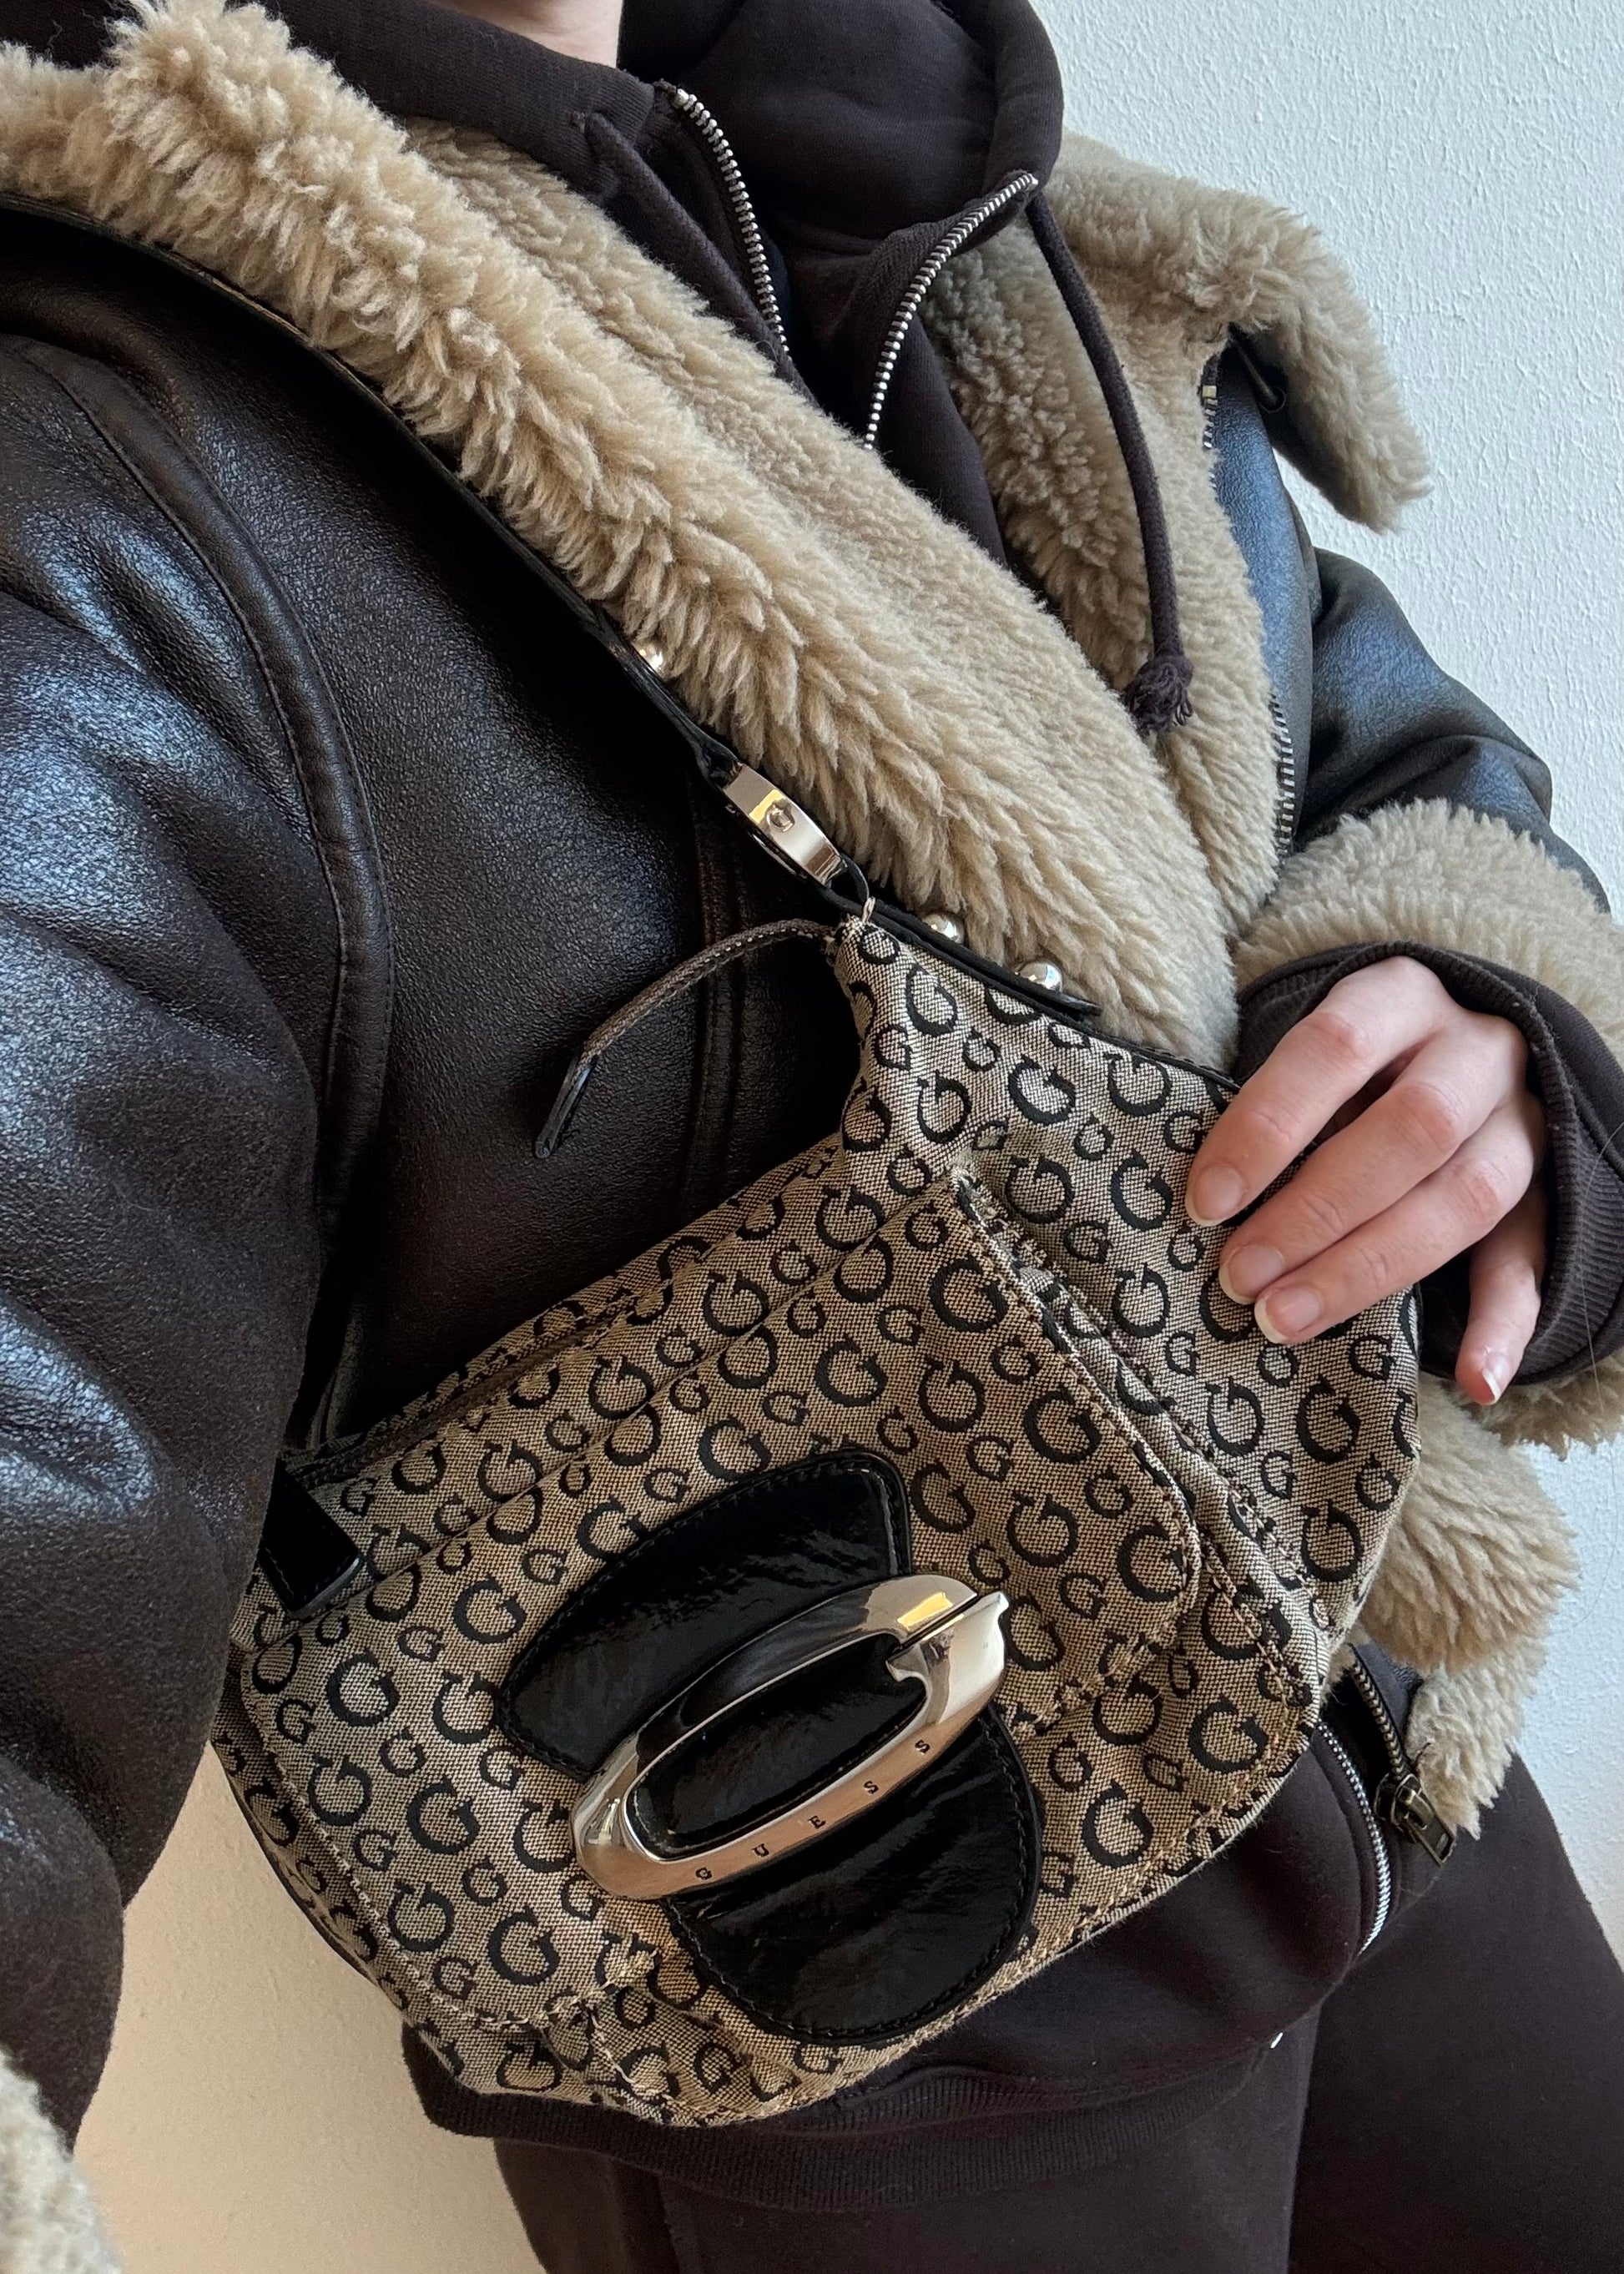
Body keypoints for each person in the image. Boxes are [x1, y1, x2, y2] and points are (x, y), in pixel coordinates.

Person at [0, 0, 1621, 2266]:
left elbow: (1362, 740)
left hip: (1389, 1750)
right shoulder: (101, 441)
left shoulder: (936, 193)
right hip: (869, 2015)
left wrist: (1500, 1033)